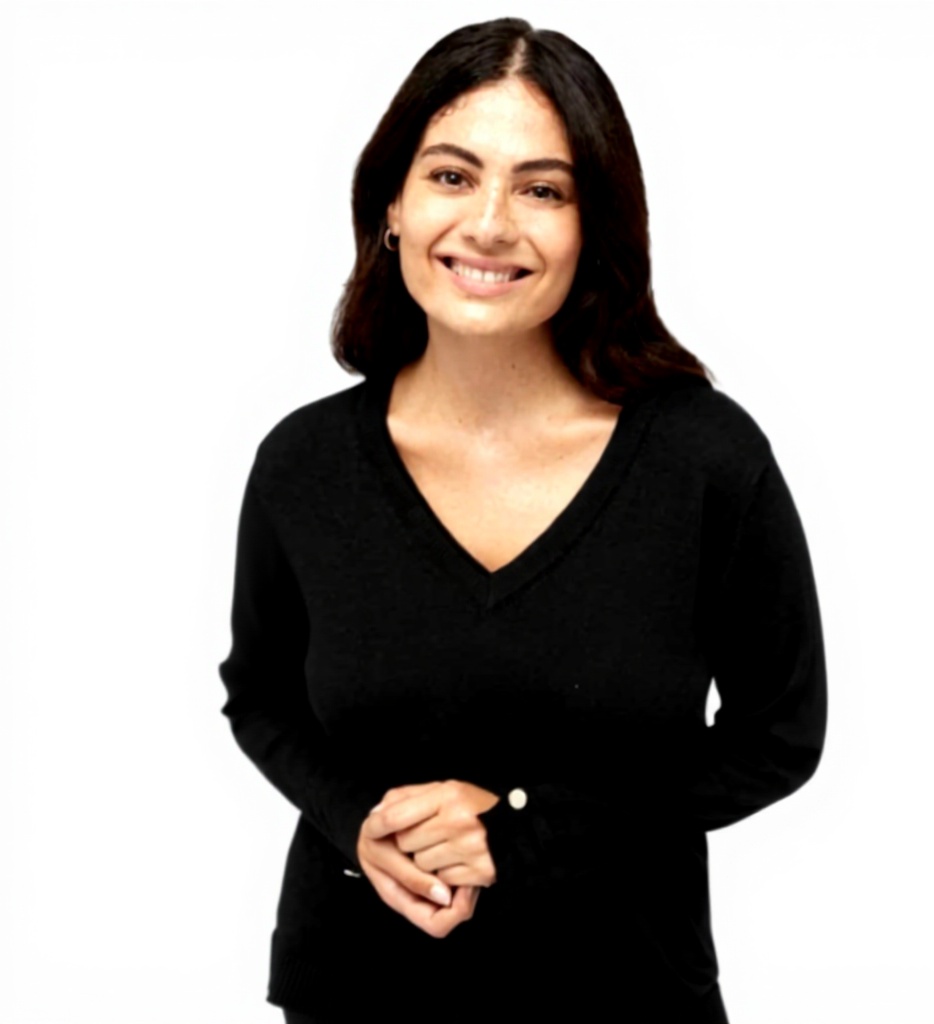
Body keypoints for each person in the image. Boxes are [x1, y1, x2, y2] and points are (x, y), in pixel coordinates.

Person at [217, 17, 827, 1024]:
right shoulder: (305, 464)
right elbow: (261, 696)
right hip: (355, 991)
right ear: (391, 206)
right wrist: (358, 819)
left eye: (542, 189)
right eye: (452, 176)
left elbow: (777, 735)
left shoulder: (704, 459)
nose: (491, 223)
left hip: (627, 995)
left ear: (595, 226)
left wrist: (523, 831)